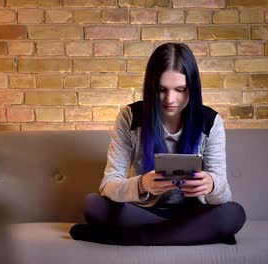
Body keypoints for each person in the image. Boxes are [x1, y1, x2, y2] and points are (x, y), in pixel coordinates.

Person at [69, 43, 246, 246]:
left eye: (180, 89)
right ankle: (192, 236)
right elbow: (108, 185)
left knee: (233, 213)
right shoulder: (130, 117)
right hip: (143, 212)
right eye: (162, 90)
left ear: (193, 88)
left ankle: (122, 238)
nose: (171, 99)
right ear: (151, 86)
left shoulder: (210, 121)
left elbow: (223, 195)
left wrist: (211, 184)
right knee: (94, 205)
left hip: (192, 215)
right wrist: (142, 184)